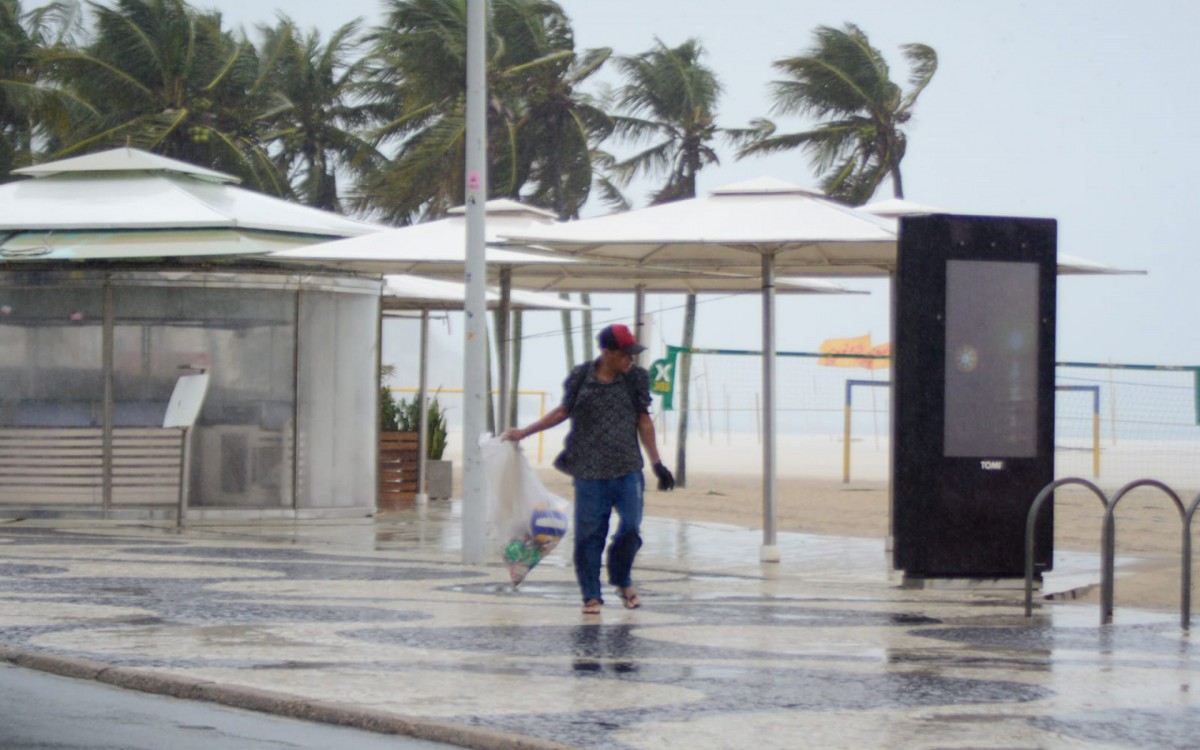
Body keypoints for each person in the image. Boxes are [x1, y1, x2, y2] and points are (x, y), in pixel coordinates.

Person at [502, 323, 674, 615]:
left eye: (632, 355)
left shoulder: (636, 379)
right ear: (607, 352)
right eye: (625, 354)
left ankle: (621, 579)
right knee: (589, 535)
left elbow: (644, 420)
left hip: (627, 468)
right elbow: (562, 411)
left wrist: (658, 463)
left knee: (631, 528)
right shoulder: (581, 377)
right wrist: (525, 432)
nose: (630, 360)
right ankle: (591, 596)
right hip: (589, 471)